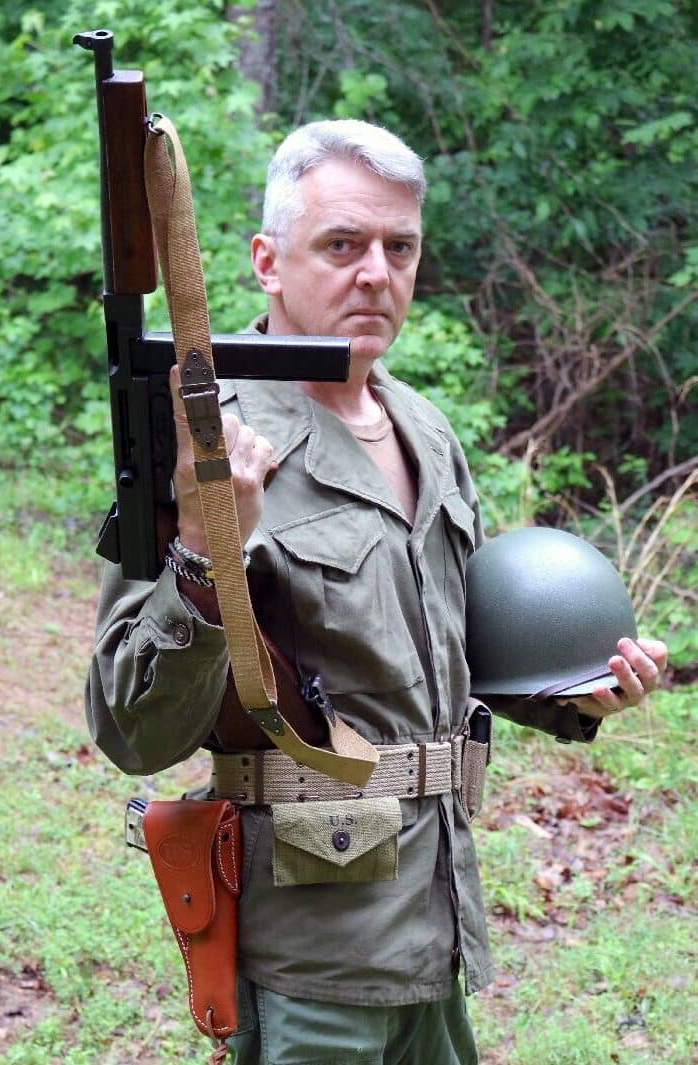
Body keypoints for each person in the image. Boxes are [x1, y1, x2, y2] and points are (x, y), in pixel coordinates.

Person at [86, 120, 668, 1064]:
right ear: (267, 262)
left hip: (435, 927)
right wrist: (200, 548)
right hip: (311, 947)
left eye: (399, 247)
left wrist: (574, 692)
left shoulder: (423, 429)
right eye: (342, 245)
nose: (375, 273)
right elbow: (130, 727)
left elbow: (447, 659)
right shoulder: (209, 443)